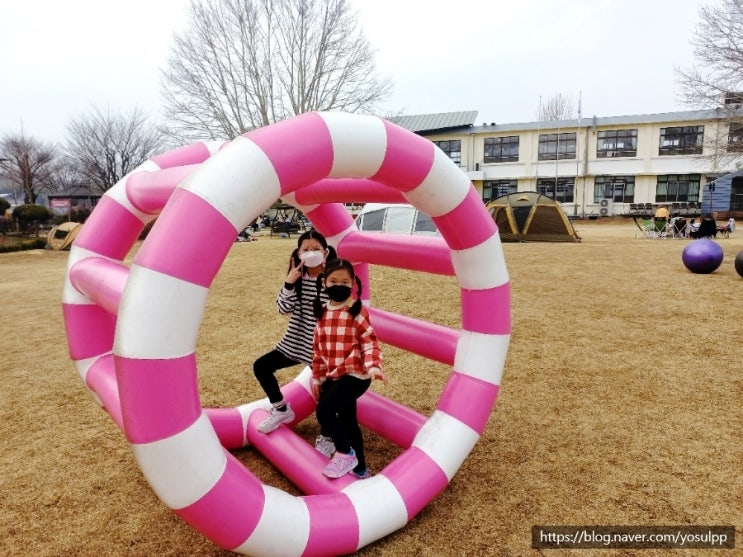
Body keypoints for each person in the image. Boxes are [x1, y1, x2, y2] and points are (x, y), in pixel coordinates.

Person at [253, 230, 337, 433]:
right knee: (261, 367)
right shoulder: (297, 278)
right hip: (295, 342)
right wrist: (289, 282)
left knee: (325, 397)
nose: (311, 253)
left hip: (321, 349)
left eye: (315, 249)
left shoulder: (333, 279)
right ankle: (281, 409)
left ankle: (327, 435)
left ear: (325, 253)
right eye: (305, 250)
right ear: (298, 254)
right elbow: (282, 309)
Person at [310, 259, 387, 479]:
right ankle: (361, 469)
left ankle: (345, 453)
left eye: (345, 281)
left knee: (324, 410)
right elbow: (318, 350)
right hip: (335, 375)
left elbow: (370, 341)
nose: (339, 285)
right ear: (324, 283)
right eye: (333, 281)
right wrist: (317, 379)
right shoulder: (322, 312)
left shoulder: (356, 311)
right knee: (348, 421)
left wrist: (373, 366)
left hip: (357, 375)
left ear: (353, 283)